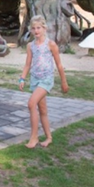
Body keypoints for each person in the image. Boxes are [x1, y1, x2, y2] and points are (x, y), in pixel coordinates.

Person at [19, 15, 68, 148]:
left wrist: (64, 82)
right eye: (33, 28)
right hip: (35, 79)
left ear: (44, 28)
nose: (36, 31)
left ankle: (34, 137)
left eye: (38, 28)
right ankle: (48, 137)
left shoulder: (50, 44)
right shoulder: (30, 46)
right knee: (42, 110)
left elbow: (59, 65)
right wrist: (22, 78)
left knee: (31, 103)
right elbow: (27, 64)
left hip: (46, 79)